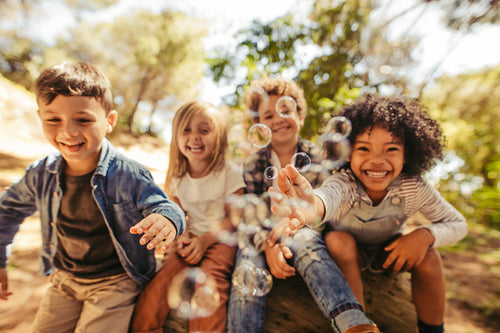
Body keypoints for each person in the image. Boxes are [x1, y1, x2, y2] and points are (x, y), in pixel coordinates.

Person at [0, 62, 186, 332]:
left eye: (83, 120)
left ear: (109, 121)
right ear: (40, 117)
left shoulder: (129, 174)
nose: (68, 131)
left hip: (115, 282)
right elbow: (7, 210)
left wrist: (166, 220)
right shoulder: (41, 173)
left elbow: (167, 208)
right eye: (54, 120)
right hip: (65, 279)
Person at [269, 94, 468, 333]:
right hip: (349, 253)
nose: (377, 161)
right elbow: (327, 197)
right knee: (338, 240)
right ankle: (358, 325)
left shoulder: (413, 187)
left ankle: (433, 330)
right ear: (348, 153)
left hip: (389, 252)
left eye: (391, 149)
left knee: (429, 256)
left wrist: (424, 235)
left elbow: (458, 223)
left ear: (407, 155)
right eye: (364, 148)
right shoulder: (345, 182)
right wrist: (312, 204)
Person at [227, 76, 380, 333]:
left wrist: (293, 227)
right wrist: (268, 246)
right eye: (267, 115)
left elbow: (325, 210)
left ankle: (355, 325)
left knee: (308, 244)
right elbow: (250, 215)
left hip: (304, 231)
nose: (277, 119)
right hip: (262, 237)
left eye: (285, 110)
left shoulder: (318, 157)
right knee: (247, 266)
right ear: (259, 126)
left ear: (299, 116)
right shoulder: (254, 164)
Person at [129, 101, 245, 333]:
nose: (194, 137)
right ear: (176, 137)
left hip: (222, 238)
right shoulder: (177, 178)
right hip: (190, 236)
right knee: (163, 278)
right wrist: (183, 236)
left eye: (204, 130)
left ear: (220, 137)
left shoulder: (229, 172)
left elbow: (234, 219)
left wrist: (204, 242)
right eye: (186, 130)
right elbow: (178, 214)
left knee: (212, 282)